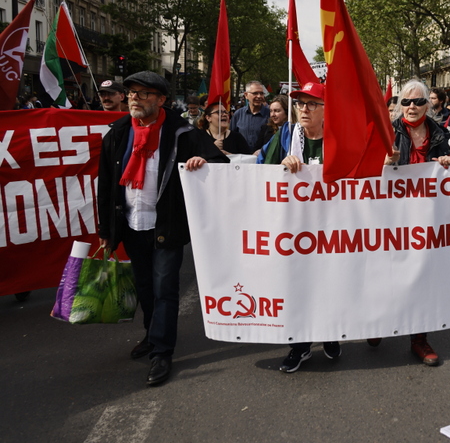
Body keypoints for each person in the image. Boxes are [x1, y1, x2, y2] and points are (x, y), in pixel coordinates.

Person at [97, 71, 229, 386]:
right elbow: (106, 185)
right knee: (144, 288)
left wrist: (202, 163)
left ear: (161, 100)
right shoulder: (117, 133)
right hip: (132, 225)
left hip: (166, 227)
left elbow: (220, 166)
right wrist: (107, 229)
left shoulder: (182, 133)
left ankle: (161, 351)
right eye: (131, 93)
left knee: (165, 290)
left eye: (143, 94)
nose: (134, 99)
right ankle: (151, 334)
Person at [258, 82, 341, 372]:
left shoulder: (339, 138)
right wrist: (283, 164)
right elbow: (263, 175)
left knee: (329, 283)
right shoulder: (287, 134)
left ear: (325, 109)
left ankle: (330, 333)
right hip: (295, 230)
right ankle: (301, 346)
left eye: (312, 104)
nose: (304, 110)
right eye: (300, 104)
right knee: (298, 286)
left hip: (332, 228)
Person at [375, 80, 450, 366]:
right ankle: (379, 324)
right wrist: (386, 162)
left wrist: (446, 162)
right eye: (405, 101)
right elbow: (368, 175)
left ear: (428, 105)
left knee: (422, 275)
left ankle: (419, 339)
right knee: (387, 273)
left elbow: (446, 172)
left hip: (425, 218)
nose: (411, 107)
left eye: (418, 102)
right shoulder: (388, 131)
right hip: (391, 216)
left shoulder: (439, 133)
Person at [230, 81, 269, 153]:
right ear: (246, 95)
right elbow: (231, 137)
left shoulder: (270, 115)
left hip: (263, 160)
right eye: (255, 93)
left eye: (261, 93)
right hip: (241, 159)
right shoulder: (238, 114)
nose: (259, 96)